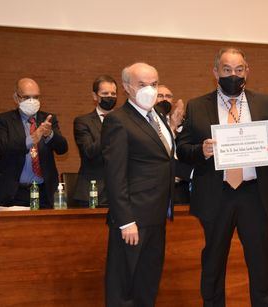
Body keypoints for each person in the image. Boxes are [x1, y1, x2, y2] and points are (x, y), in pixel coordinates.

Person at [176, 47, 268, 307]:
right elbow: (182, 148)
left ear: (247, 71)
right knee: (213, 266)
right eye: (227, 70)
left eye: (239, 70)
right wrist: (199, 151)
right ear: (215, 72)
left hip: (254, 194)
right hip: (217, 195)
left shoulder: (264, 101)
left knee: (261, 266)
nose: (233, 75)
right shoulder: (196, 105)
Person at [101, 63, 175, 306]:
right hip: (133, 221)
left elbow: (165, 161)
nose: (150, 90)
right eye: (142, 85)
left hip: (156, 216)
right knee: (124, 289)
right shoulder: (118, 121)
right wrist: (126, 221)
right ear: (126, 87)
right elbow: (115, 175)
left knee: (147, 285)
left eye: (154, 84)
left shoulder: (159, 118)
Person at [0, 78, 68, 208]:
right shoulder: (3, 120)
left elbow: (62, 148)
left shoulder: (48, 119)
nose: (32, 101)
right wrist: (31, 139)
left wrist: (50, 134)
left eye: (36, 97)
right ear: (16, 98)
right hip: (15, 192)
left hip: (44, 192)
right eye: (27, 97)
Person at [73, 75, 118, 207]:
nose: (109, 96)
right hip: (93, 192)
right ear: (95, 96)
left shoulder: (125, 120)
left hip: (120, 192)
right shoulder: (83, 122)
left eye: (113, 93)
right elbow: (89, 152)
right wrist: (109, 126)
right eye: (105, 93)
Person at [155, 85, 193, 204]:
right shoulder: (148, 123)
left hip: (181, 186)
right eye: (160, 96)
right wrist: (172, 127)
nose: (164, 99)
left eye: (168, 96)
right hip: (158, 186)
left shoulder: (183, 121)